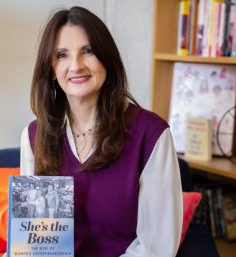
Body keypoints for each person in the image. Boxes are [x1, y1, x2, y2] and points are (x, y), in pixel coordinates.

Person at [20, 6, 182, 257]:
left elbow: (156, 249)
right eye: (61, 55)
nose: (76, 66)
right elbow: (36, 240)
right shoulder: (34, 135)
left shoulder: (150, 134)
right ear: (50, 69)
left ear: (106, 58)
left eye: (88, 51)